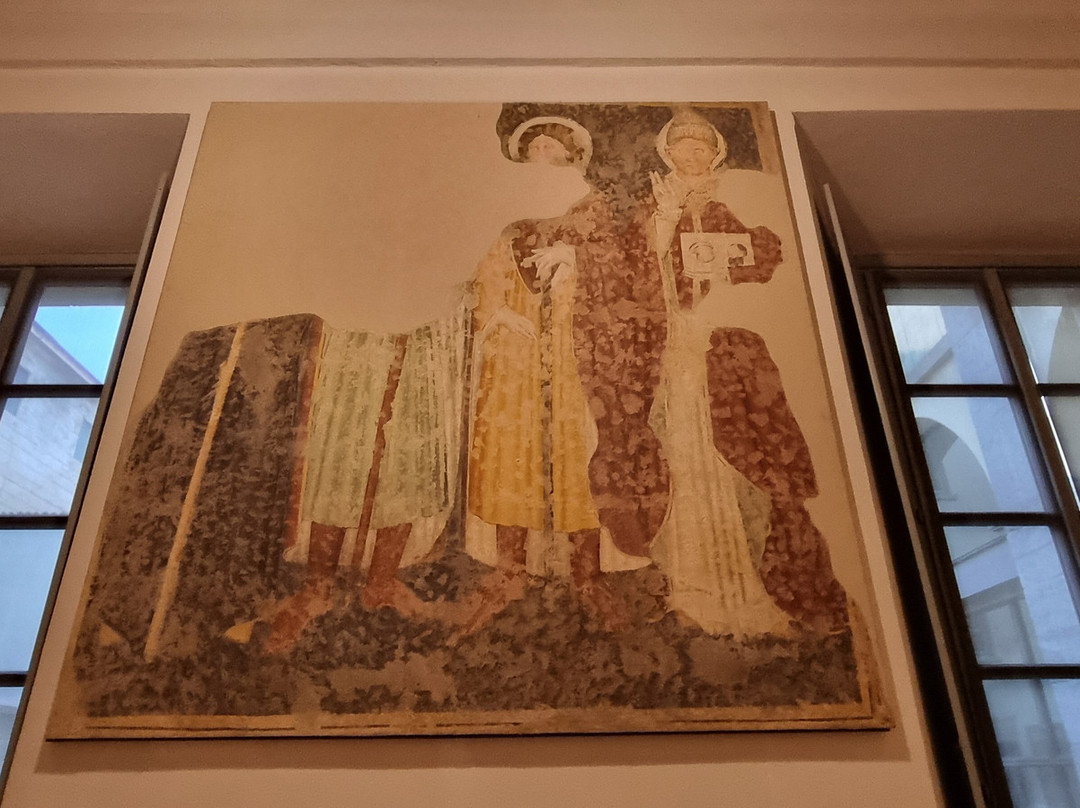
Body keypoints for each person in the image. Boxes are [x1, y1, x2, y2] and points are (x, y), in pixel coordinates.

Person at [644, 106, 848, 635]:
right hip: (680, 347)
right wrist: (666, 218)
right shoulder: (656, 205)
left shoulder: (733, 204)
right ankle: (693, 585)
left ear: (715, 155)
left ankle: (752, 588)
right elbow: (642, 267)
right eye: (683, 148)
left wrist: (738, 260)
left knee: (745, 452)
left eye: (702, 147)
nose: (692, 155)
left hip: (730, 346)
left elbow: (766, 260)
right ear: (668, 154)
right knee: (687, 456)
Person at [462, 115, 668, 632]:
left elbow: (628, 269)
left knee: (578, 456)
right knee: (512, 452)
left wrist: (576, 254)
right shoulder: (503, 212)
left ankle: (586, 574)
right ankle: (511, 570)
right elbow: (481, 266)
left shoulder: (595, 211)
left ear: (573, 160)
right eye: (535, 150)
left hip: (579, 351)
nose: (544, 156)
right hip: (515, 351)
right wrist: (496, 311)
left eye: (554, 150)